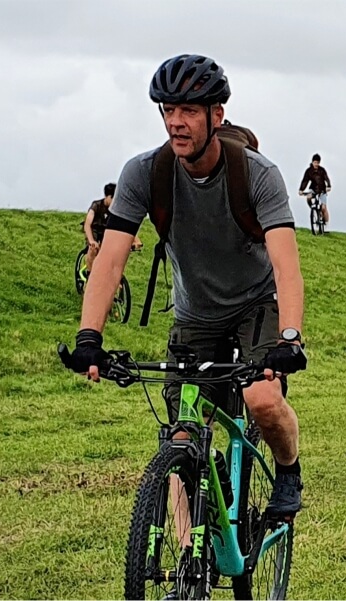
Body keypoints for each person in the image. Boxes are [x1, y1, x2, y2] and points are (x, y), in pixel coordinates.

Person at [64, 54, 308, 520]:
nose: (176, 122)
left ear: (217, 115)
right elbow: (111, 258)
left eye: (189, 111)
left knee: (261, 398)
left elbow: (286, 265)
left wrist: (289, 339)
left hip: (256, 305)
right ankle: (183, 585)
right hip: (195, 316)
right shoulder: (144, 173)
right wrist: (89, 338)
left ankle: (288, 469)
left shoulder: (258, 174)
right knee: (180, 437)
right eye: (168, 110)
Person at [298, 154, 331, 227]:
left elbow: (326, 178)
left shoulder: (322, 170)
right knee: (308, 197)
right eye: (315, 162)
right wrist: (301, 189)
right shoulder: (309, 171)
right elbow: (305, 181)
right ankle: (313, 209)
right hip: (313, 189)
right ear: (312, 162)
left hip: (322, 190)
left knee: (323, 207)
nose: (316, 164)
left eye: (318, 162)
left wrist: (328, 186)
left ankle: (326, 223)